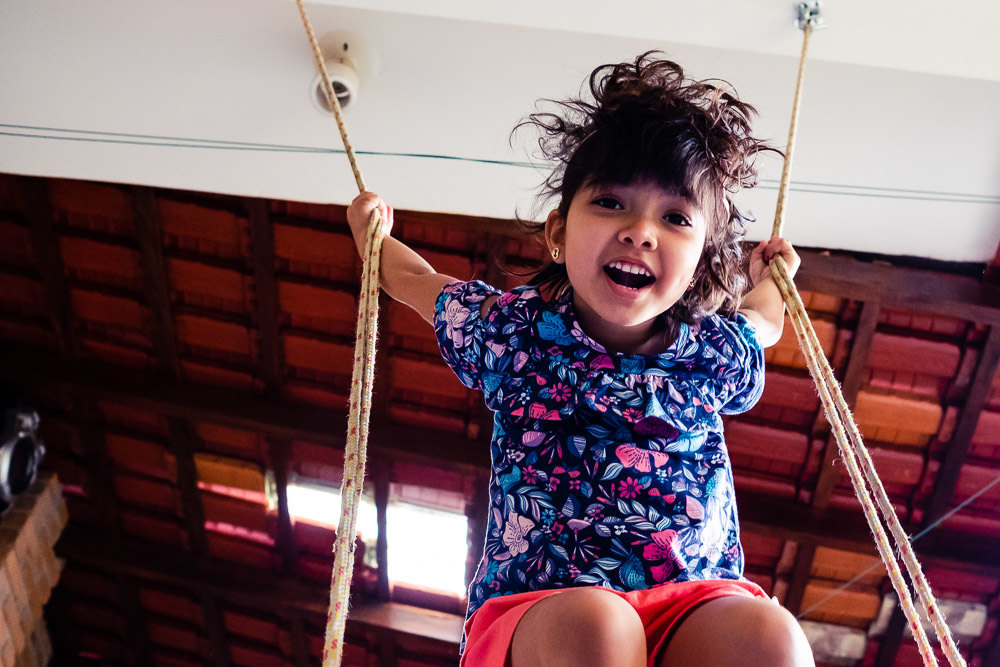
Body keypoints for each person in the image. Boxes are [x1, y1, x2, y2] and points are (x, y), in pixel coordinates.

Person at [347, 53, 814, 667]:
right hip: (546, 606)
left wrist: (770, 278)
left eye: (674, 218)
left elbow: (763, 320)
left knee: (770, 638)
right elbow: (418, 281)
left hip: (691, 600)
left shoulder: (711, 355)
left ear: (700, 260)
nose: (641, 231)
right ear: (558, 232)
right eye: (612, 203)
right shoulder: (513, 333)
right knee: (597, 622)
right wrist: (370, 237)